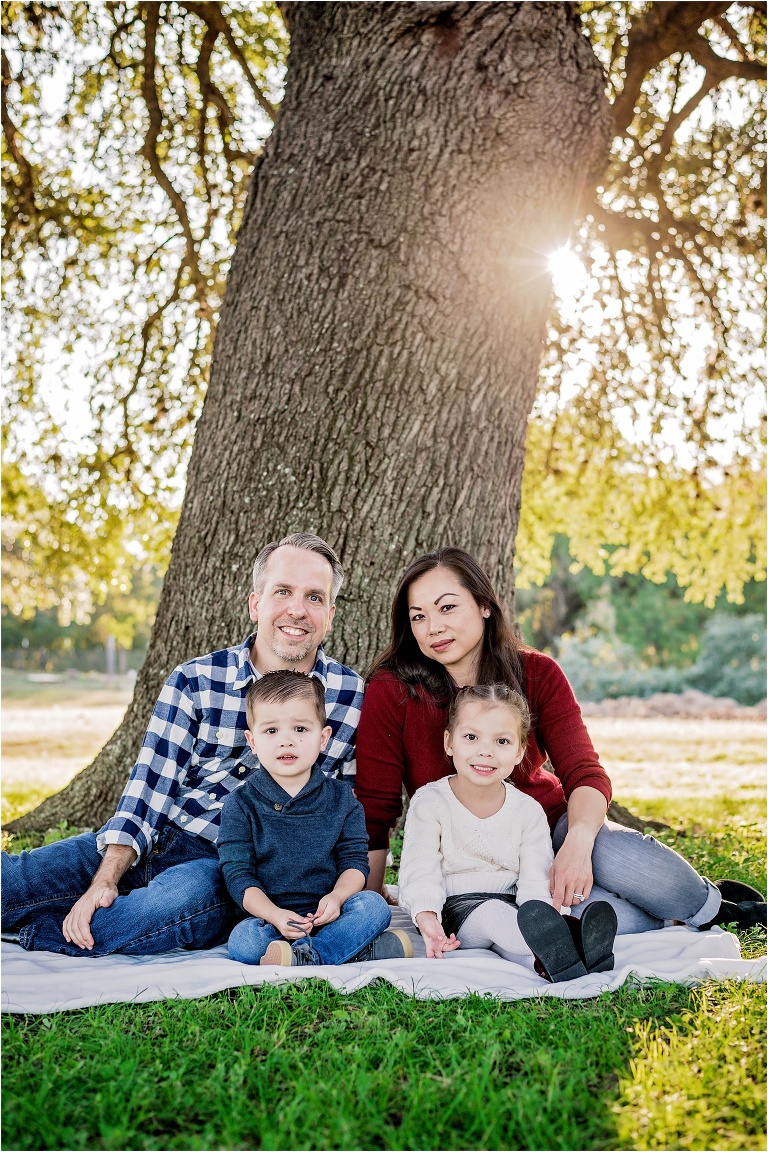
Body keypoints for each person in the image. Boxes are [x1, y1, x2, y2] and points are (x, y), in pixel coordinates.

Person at [356, 547, 767, 935]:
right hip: (467, 864)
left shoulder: (537, 673)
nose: (434, 627)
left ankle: (720, 910)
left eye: (447, 607)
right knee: (597, 916)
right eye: (418, 616)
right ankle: (670, 919)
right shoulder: (393, 690)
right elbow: (376, 807)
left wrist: (577, 844)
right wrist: (372, 899)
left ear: (484, 606)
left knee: (622, 857)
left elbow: (584, 772)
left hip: (546, 829)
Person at [2, 533, 366, 957]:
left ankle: (35, 934)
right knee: (15, 882)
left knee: (170, 907)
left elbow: (347, 810)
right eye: (282, 591)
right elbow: (146, 793)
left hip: (225, 867)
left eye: (314, 597)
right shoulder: (195, 679)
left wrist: (352, 891)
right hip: (156, 837)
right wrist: (106, 877)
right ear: (255, 603)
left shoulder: (348, 697)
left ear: (331, 614)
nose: (297, 609)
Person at [398, 682, 617, 982]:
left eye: (502, 741)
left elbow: (535, 876)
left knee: (522, 945)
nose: (485, 751)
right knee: (492, 916)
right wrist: (427, 917)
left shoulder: (527, 810)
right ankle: (571, 935)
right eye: (471, 737)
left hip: (514, 908)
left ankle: (562, 964)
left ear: (519, 751)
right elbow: (420, 869)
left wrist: (540, 910)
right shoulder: (430, 802)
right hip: (455, 910)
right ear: (449, 742)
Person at [221, 670, 412, 966]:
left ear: (323, 738)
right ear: (252, 741)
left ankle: (308, 955)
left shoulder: (342, 800)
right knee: (244, 943)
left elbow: (355, 864)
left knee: (375, 907)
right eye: (271, 731)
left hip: (332, 913)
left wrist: (337, 898)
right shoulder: (240, 804)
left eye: (300, 729)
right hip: (272, 920)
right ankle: (352, 950)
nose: (286, 741)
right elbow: (237, 875)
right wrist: (274, 914)